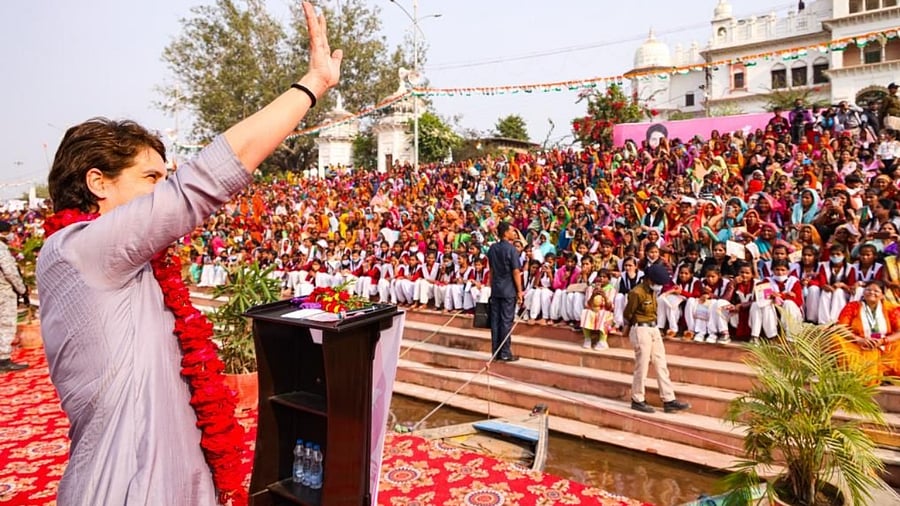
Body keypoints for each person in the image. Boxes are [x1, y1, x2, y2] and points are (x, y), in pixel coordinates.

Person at [35, 3, 341, 505]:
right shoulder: (81, 249)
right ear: (97, 183)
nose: (163, 190)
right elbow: (204, 181)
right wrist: (312, 85)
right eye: (151, 179)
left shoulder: (113, 260)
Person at [622, 263, 691, 414]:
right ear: (648, 280)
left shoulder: (652, 291)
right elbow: (628, 313)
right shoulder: (636, 293)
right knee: (642, 366)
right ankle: (637, 399)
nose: (659, 286)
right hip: (641, 328)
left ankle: (669, 399)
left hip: (654, 328)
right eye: (657, 283)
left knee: (661, 364)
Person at [836, 280, 900, 380]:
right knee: (835, 338)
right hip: (858, 345)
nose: (871, 292)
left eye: (876, 291)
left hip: (884, 347)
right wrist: (858, 339)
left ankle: (885, 371)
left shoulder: (890, 308)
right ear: (863, 292)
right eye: (868, 289)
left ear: (882, 295)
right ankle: (859, 370)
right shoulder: (853, 306)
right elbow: (841, 328)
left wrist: (883, 341)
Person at [487, 221, 524, 362]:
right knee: (506, 321)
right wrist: (519, 291)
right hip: (508, 290)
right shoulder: (511, 250)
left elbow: (491, 270)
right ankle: (505, 352)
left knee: (495, 321)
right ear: (505, 232)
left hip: (496, 289)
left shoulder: (493, 249)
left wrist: (492, 285)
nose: (514, 233)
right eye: (512, 230)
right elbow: (516, 271)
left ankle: (495, 351)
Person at [0, 220, 28, 372]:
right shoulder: (1, 249)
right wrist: (22, 289)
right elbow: (10, 272)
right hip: (4, 292)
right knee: (5, 324)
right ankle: (3, 360)